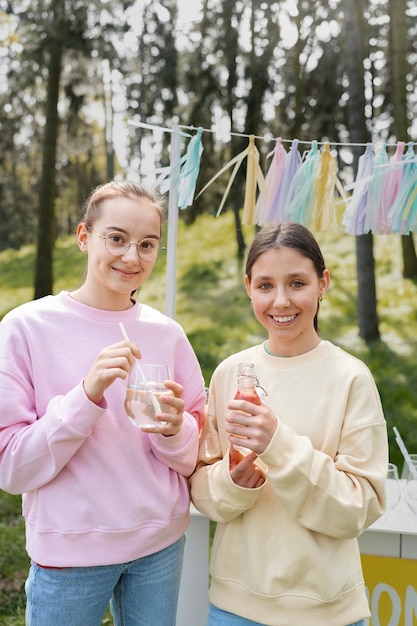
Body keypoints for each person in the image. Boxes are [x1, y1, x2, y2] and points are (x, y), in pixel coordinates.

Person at [0, 180, 206, 626]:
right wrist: (86, 395)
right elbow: (11, 469)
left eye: (147, 244)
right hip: (69, 555)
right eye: (116, 238)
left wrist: (174, 430)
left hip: (159, 549)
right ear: (83, 237)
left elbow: (197, 451)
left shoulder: (165, 334)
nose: (132, 257)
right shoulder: (25, 328)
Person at [190, 222, 387, 626]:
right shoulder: (230, 374)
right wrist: (233, 485)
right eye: (265, 286)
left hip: (328, 612)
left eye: (297, 282)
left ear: (323, 283)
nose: (281, 301)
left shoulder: (350, 378)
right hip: (234, 609)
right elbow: (203, 490)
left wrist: (277, 443)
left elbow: (359, 507)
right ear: (248, 287)